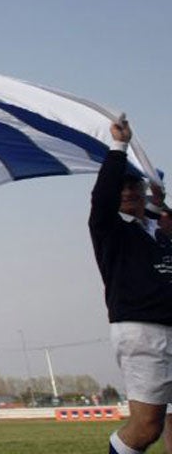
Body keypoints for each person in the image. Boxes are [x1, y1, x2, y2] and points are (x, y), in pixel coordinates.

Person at [90, 116, 172, 454]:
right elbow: (103, 198)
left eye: (133, 185)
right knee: (147, 427)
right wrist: (119, 146)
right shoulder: (110, 229)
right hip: (142, 331)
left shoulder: (158, 232)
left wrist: (158, 203)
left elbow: (159, 217)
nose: (127, 191)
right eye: (121, 187)